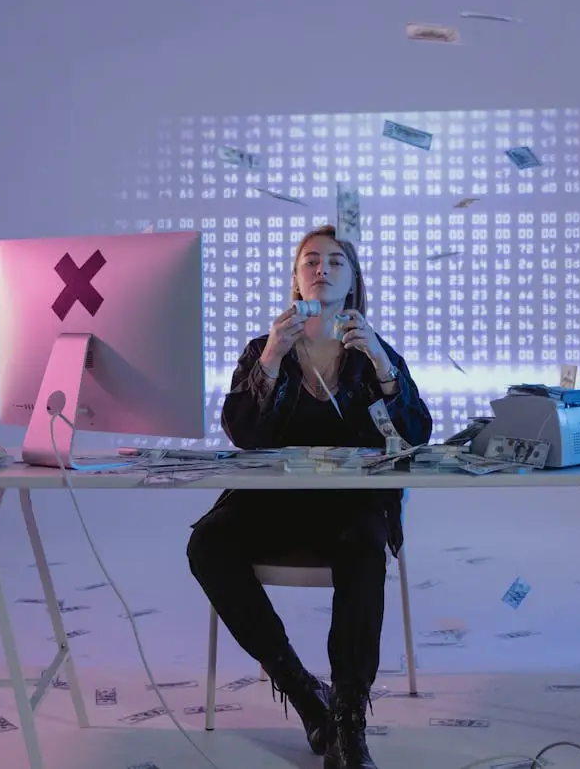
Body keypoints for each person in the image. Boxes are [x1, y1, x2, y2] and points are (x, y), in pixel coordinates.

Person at [187, 225, 432, 769]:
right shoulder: (263, 348)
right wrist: (272, 358)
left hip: (351, 506)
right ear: (296, 280)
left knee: (364, 544)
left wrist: (385, 370)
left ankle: (347, 720)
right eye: (310, 261)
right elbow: (243, 434)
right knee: (207, 543)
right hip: (274, 503)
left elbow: (414, 436)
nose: (322, 269)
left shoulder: (372, 350)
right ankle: (304, 693)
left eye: (335, 262)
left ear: (352, 281)